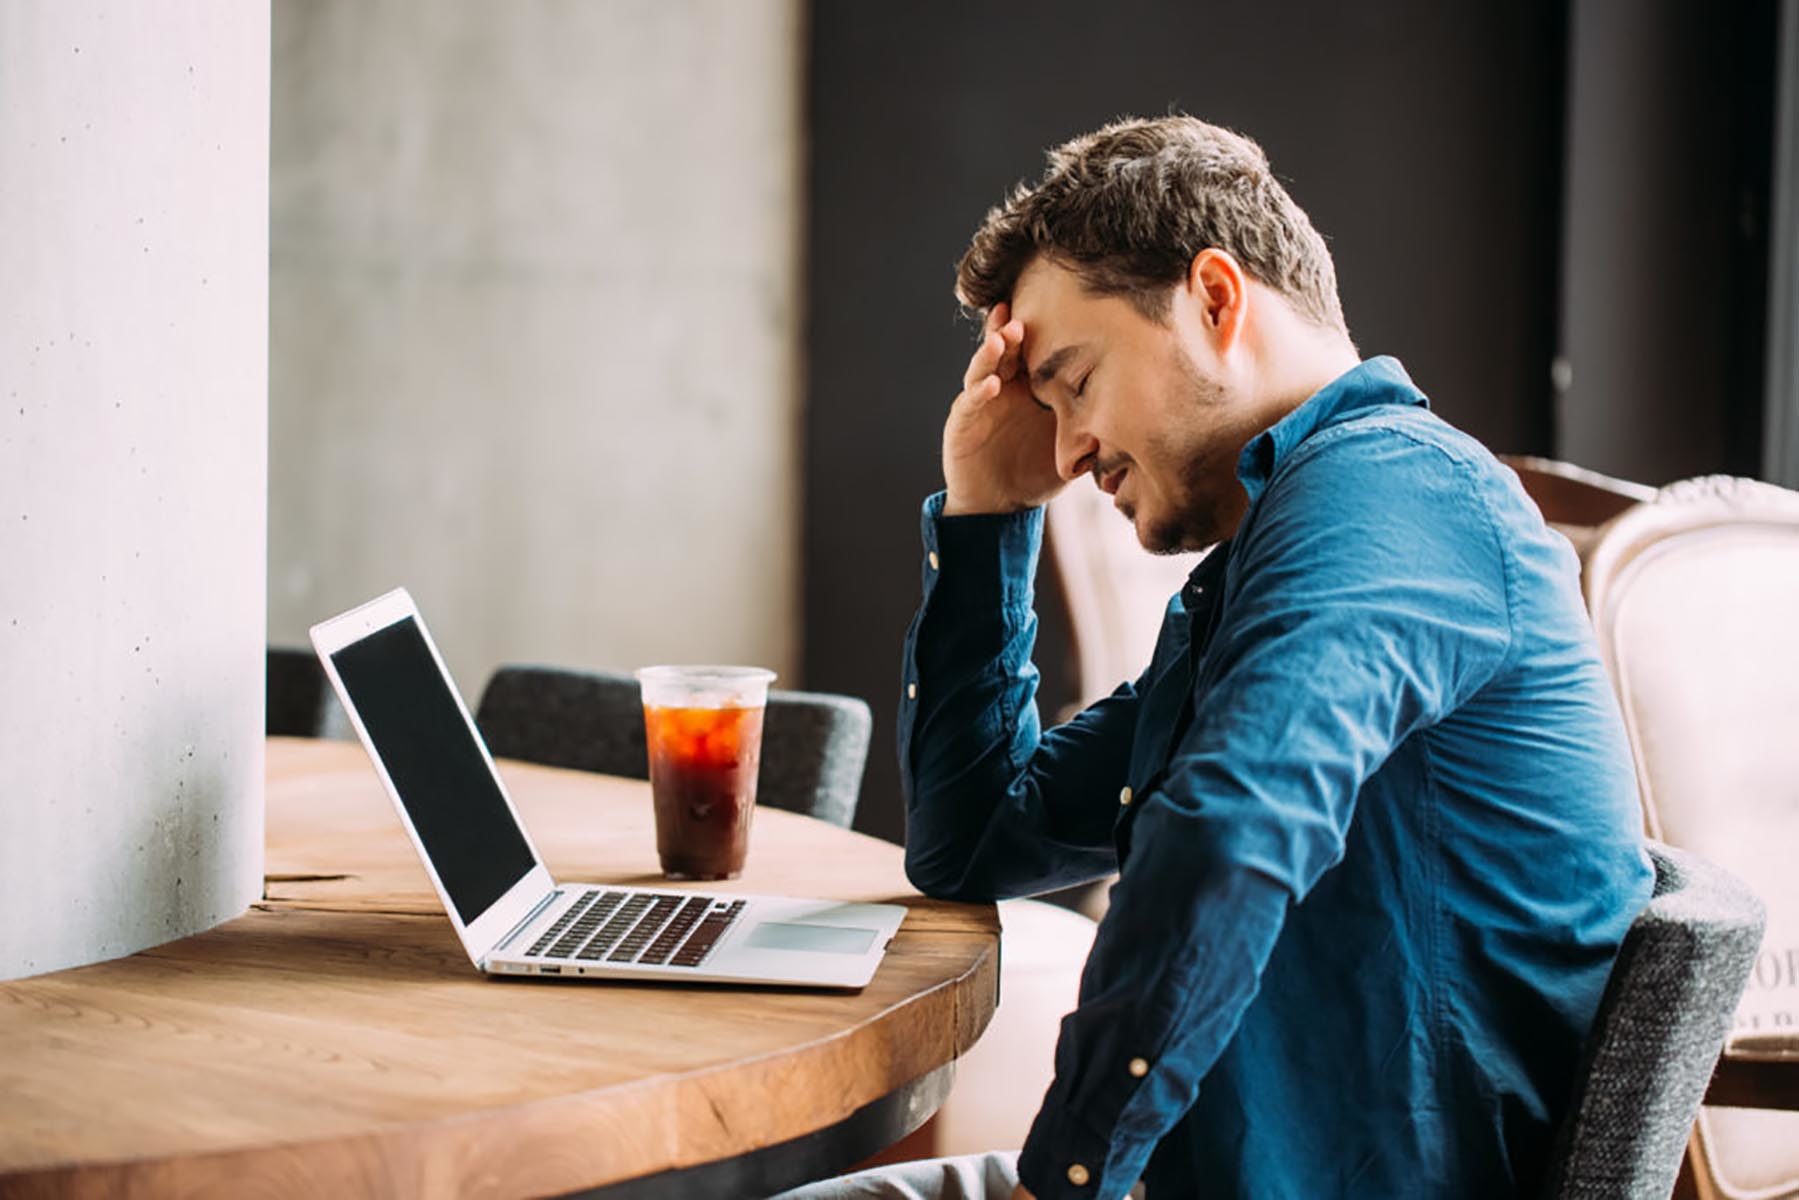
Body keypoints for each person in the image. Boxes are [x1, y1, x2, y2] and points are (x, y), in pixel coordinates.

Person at [778, 115, 1652, 1200]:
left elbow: (1230, 827)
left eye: (1075, 380)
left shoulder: (1394, 495)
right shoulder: (1285, 550)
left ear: (1213, 298)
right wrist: (987, 514)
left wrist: (1066, 1182)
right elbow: (974, 843)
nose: (1063, 450)